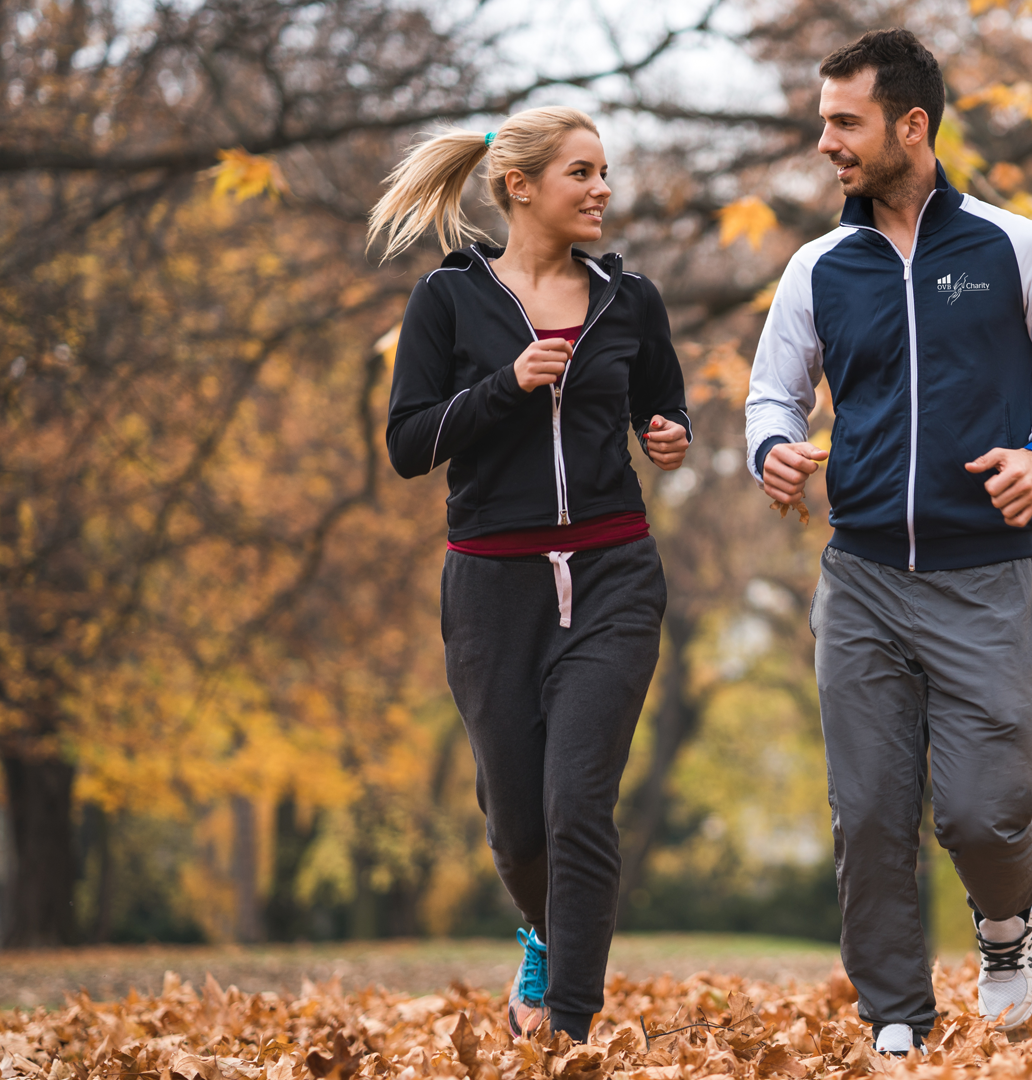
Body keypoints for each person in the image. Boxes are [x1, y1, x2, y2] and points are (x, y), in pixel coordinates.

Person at [744, 28, 1032, 1056]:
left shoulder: (1014, 247)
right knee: (867, 816)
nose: (826, 144)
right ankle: (896, 1018)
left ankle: (1006, 925)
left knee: (986, 816)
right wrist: (770, 445)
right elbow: (773, 392)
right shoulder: (820, 268)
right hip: (859, 579)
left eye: (844, 122)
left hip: (985, 579)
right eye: (823, 123)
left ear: (913, 125)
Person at [369, 106, 691, 1042]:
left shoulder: (631, 299)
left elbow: (660, 406)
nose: (601, 190)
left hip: (613, 573)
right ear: (520, 187)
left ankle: (569, 1029)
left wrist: (667, 435)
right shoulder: (448, 299)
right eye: (580, 173)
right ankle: (549, 942)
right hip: (492, 586)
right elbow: (406, 444)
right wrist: (503, 387)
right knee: (517, 823)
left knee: (578, 804)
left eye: (604, 173)